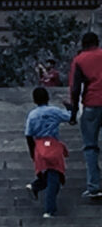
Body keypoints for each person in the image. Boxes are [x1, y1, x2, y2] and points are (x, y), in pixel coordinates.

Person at [24, 87, 72, 217]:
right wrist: (69, 107)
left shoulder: (32, 115)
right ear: (48, 98)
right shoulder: (54, 111)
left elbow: (28, 135)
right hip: (53, 145)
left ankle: (36, 186)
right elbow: (70, 117)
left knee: (48, 175)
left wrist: (32, 153)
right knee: (54, 177)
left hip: (39, 146)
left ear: (34, 100)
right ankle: (49, 209)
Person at [69, 31, 102, 199]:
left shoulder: (80, 60)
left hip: (91, 105)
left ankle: (94, 186)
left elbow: (75, 88)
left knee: (90, 146)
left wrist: (74, 112)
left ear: (83, 44)